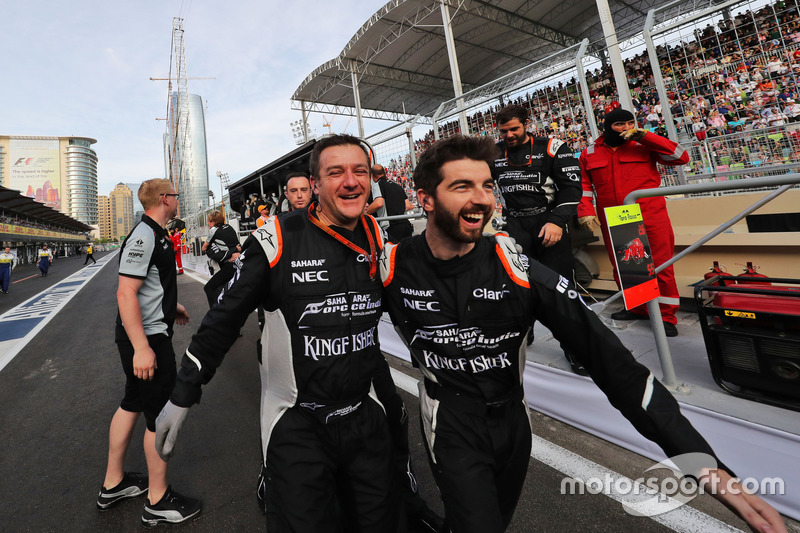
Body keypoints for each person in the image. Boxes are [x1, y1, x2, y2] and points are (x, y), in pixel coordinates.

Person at [380, 135, 787, 533]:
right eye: (462, 186)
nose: (482, 199)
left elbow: (614, 366)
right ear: (426, 199)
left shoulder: (518, 270)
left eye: (487, 185)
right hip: (449, 420)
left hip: (513, 421)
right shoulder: (391, 267)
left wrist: (706, 466)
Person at [155, 135, 399, 532]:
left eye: (360, 172)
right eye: (335, 172)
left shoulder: (375, 234)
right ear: (316, 186)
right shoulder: (275, 237)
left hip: (363, 418)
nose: (351, 181)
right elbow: (224, 318)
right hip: (299, 424)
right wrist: (183, 394)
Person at [98, 178, 201, 526]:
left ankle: (113, 483)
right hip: (145, 340)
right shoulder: (145, 235)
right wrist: (143, 348)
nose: (178, 199)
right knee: (159, 415)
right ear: (164, 199)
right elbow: (126, 293)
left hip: (147, 331)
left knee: (132, 403)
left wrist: (171, 306)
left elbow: (148, 287)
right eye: (175, 194)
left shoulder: (157, 233)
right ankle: (158, 500)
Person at [491, 104, 586, 374]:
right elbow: (482, 183)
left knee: (561, 287)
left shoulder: (553, 146)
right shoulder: (493, 153)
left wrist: (557, 221)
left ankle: (573, 345)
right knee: (516, 285)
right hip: (514, 225)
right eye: (503, 130)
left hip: (547, 222)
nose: (508, 135)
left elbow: (571, 187)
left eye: (514, 129)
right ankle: (524, 330)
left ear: (527, 123)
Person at [578, 108, 688, 337]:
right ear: (607, 127)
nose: (627, 128)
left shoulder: (644, 144)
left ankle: (666, 316)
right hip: (616, 215)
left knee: (661, 264)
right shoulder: (589, 152)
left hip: (651, 212)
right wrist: (585, 211)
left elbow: (680, 157)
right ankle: (638, 309)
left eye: (630, 123)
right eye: (620, 124)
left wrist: (645, 136)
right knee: (628, 266)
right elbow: (584, 186)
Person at [366, 164, 414, 243]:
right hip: (405, 225)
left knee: (393, 254)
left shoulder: (377, 185)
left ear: (372, 175)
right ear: (384, 173)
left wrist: (365, 213)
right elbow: (408, 206)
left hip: (391, 228)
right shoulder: (397, 186)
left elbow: (379, 203)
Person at [202, 211, 240, 308]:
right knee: (225, 290)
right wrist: (235, 249)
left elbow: (204, 248)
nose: (208, 224)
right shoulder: (229, 227)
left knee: (209, 288)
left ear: (213, 222)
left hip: (229, 265)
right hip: (238, 262)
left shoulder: (214, 231)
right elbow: (237, 245)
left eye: (209, 221)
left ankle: (215, 315)